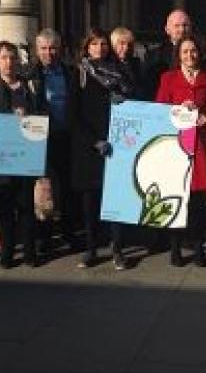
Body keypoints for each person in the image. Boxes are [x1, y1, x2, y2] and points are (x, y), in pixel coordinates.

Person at [69, 28, 136, 270]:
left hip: (116, 144)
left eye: (103, 44)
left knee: (115, 200)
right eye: (94, 44)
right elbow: (73, 114)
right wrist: (93, 141)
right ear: (86, 47)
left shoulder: (119, 71)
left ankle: (117, 248)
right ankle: (91, 248)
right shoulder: (78, 74)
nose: (100, 48)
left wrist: (124, 99)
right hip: (89, 147)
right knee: (90, 203)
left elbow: (132, 103)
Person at [0, 41, 41, 269]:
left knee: (26, 207)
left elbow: (40, 116)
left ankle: (29, 251)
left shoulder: (29, 87)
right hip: (1, 159)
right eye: (4, 57)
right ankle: (7, 251)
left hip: (26, 156)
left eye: (12, 57)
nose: (9, 62)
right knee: (5, 209)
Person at [154, 35, 206, 267]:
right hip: (177, 145)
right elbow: (160, 111)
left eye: (193, 51)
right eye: (185, 52)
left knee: (199, 200)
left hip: (200, 146)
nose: (190, 55)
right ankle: (176, 247)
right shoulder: (168, 78)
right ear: (178, 55)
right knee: (176, 197)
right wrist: (179, 111)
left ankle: (199, 246)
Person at [25, 28, 81, 255]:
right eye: (44, 49)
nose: (49, 53)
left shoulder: (70, 73)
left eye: (53, 48)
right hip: (40, 140)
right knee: (43, 188)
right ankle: (44, 236)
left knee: (68, 188)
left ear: (60, 49)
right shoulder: (29, 75)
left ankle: (69, 233)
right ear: (37, 50)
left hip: (66, 137)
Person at [142, 9, 193, 100]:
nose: (181, 29)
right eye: (177, 26)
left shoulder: (201, 54)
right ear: (167, 29)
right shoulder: (154, 55)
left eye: (185, 25)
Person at [110, 26, 145, 100]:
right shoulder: (108, 65)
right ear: (113, 45)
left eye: (129, 44)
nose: (126, 48)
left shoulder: (136, 64)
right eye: (122, 43)